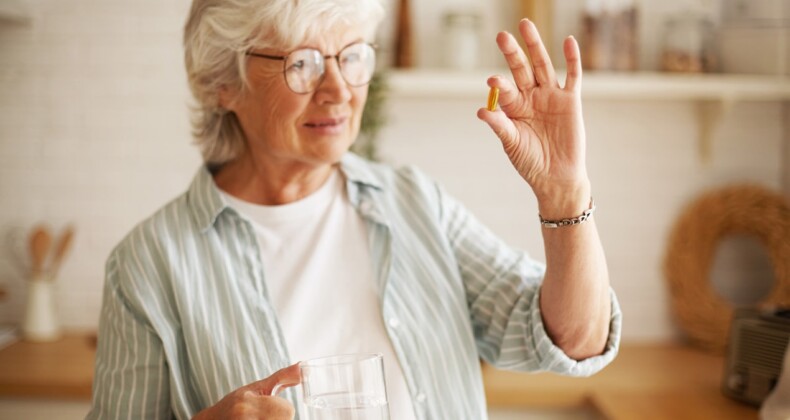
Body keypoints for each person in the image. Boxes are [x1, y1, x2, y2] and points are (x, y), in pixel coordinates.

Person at [86, 0, 622, 418]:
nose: (339, 91)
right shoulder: (148, 264)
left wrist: (565, 193)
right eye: (302, 64)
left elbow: (577, 338)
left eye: (353, 56)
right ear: (222, 83)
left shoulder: (414, 203)